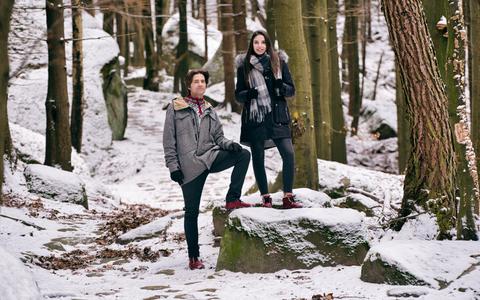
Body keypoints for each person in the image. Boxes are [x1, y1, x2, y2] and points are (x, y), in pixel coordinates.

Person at [163, 69, 252, 270]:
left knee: (244, 155)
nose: (200, 84)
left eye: (203, 81)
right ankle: (194, 257)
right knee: (191, 211)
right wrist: (173, 167)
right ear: (189, 85)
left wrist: (230, 145)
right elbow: (169, 141)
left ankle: (232, 199)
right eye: (196, 81)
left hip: (210, 157)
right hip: (189, 166)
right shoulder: (175, 108)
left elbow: (218, 137)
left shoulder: (210, 109)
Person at [235, 30, 302, 209]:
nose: (259, 45)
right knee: (258, 157)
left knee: (288, 154)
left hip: (278, 116)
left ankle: (288, 196)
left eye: (263, 42)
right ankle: (266, 197)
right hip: (255, 119)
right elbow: (238, 95)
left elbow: (291, 90)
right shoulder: (244, 67)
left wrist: (282, 87)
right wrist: (248, 94)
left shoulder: (279, 62)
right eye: (256, 42)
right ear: (252, 45)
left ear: (268, 45)